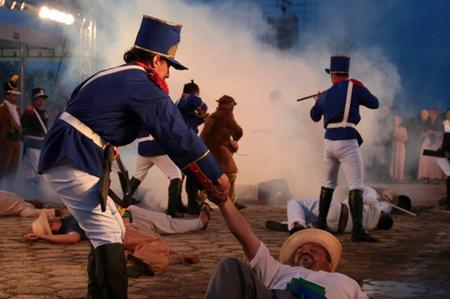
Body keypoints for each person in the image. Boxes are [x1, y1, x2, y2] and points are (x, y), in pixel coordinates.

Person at [38, 15, 228, 298]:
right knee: (106, 231)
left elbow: (89, 109)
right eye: (168, 64)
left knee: (112, 228)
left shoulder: (111, 75)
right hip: (74, 153)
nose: (168, 73)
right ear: (154, 61)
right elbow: (178, 135)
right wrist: (215, 174)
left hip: (77, 150)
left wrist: (107, 138)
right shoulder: (141, 84)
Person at [203, 194, 368, 299]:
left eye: (314, 250)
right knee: (231, 265)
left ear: (329, 264)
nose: (305, 251)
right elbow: (246, 237)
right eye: (301, 250)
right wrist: (224, 201)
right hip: (281, 296)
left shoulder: (348, 283)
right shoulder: (277, 271)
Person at [310, 55, 379, 242]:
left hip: (329, 141)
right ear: (346, 74)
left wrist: (318, 100)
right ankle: (358, 229)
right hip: (347, 140)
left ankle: (321, 223)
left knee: (328, 183)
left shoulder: (326, 94)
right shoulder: (354, 87)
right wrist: (360, 87)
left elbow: (314, 116)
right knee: (356, 185)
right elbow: (374, 103)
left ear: (332, 75)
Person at [25, 212, 201, 278]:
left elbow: (57, 209)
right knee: (155, 241)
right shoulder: (70, 226)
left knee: (151, 242)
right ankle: (139, 262)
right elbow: (72, 239)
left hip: (123, 222)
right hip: (117, 228)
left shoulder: (67, 216)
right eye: (48, 221)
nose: (49, 217)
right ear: (53, 228)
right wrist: (42, 236)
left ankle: (169, 258)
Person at [265, 186, 411, 235]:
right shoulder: (370, 226)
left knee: (295, 202)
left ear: (384, 215)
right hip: (337, 228)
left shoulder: (376, 205)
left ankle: (296, 224)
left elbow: (357, 191)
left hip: (339, 211)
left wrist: (374, 191)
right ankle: (297, 225)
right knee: (313, 219)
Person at [200, 95, 244, 208]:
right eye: (231, 105)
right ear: (228, 106)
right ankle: (230, 203)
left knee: (210, 176)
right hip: (219, 150)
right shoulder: (227, 115)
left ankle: (200, 200)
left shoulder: (213, 116)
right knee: (231, 174)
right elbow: (238, 131)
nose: (232, 107)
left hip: (206, 150)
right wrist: (235, 140)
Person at [134, 128, 185, 218]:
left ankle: (125, 200)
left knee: (138, 175)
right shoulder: (155, 113)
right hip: (156, 147)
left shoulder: (138, 115)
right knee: (176, 176)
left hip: (142, 147)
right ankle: (172, 210)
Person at [176, 80, 209, 214]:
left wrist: (202, 119)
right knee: (193, 171)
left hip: (181, 139)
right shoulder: (188, 98)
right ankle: (193, 204)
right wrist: (203, 112)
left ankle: (180, 204)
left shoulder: (179, 101)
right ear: (195, 92)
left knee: (182, 174)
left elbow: (190, 121)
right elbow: (202, 106)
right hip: (187, 140)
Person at [20, 87, 49, 189]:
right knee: (33, 172)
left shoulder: (44, 112)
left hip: (40, 146)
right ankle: (31, 193)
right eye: (39, 99)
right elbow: (22, 128)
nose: (41, 102)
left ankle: (34, 193)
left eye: (42, 99)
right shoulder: (29, 112)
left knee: (35, 173)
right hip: (32, 146)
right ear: (34, 100)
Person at [0, 75, 22, 184]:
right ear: (7, 95)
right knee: (3, 168)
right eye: (13, 95)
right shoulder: (2, 108)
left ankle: (10, 189)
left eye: (16, 95)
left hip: (16, 141)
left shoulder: (17, 109)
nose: (15, 97)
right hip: (5, 142)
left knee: (13, 169)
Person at [405, 109, 430, 180]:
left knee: (425, 161)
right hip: (416, 143)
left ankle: (424, 177)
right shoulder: (416, 122)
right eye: (422, 114)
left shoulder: (429, 123)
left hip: (426, 144)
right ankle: (414, 176)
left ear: (428, 115)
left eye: (425, 114)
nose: (423, 115)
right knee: (415, 159)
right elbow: (413, 131)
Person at [390, 116, 408, 181]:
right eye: (395, 121)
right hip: (395, 146)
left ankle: (400, 177)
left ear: (400, 122)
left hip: (401, 146)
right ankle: (394, 177)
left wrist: (398, 138)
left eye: (397, 121)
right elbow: (390, 138)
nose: (396, 122)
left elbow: (405, 138)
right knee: (395, 161)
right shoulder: (392, 129)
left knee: (400, 161)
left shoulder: (403, 129)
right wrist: (393, 138)